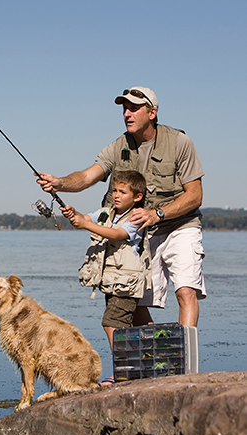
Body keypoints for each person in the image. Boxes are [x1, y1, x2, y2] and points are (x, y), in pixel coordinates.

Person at [37, 86, 206, 328]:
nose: (127, 114)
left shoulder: (179, 142)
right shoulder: (118, 146)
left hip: (180, 225)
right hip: (141, 233)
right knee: (135, 301)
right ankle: (157, 358)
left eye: (134, 109)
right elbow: (87, 177)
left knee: (185, 291)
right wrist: (59, 183)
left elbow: (195, 195)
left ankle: (187, 361)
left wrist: (158, 213)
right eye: (125, 109)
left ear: (152, 113)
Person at [62, 171, 151, 374]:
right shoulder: (106, 213)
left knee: (112, 324)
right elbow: (85, 218)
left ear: (137, 197)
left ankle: (125, 369)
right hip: (112, 283)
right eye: (114, 191)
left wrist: (86, 224)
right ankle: (139, 364)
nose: (116, 195)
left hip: (126, 284)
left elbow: (117, 234)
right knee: (123, 325)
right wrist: (75, 214)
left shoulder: (137, 217)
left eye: (122, 192)